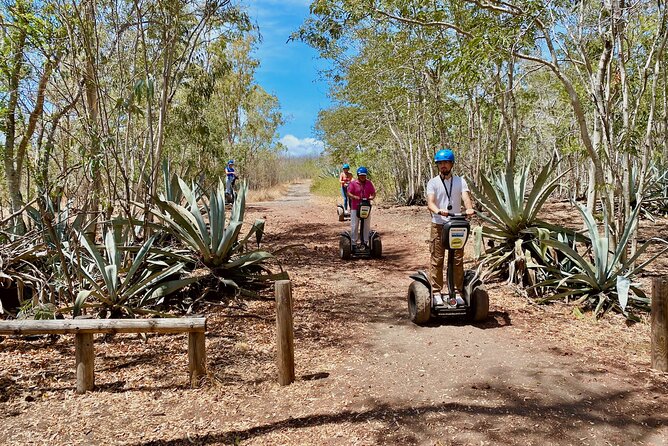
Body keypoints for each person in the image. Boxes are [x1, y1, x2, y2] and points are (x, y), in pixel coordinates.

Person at [426, 149, 475, 306]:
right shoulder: (433, 182)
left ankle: (458, 291)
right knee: (437, 259)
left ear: (451, 164)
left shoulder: (460, 181)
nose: (443, 166)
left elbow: (466, 197)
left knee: (457, 259)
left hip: (456, 225)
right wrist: (438, 210)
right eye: (440, 163)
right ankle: (436, 292)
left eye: (446, 163)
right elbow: (430, 202)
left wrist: (469, 208)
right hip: (439, 224)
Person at [347, 166, 376, 247]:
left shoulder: (369, 183)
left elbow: (373, 193)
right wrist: (354, 196)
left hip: (366, 207)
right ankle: (353, 242)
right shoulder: (353, 183)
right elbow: (348, 193)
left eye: (364, 175)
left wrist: (372, 197)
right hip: (355, 207)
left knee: (366, 224)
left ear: (366, 175)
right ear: (358, 175)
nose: (362, 177)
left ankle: (365, 242)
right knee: (354, 225)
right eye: (361, 175)